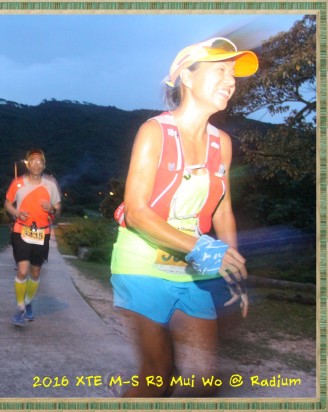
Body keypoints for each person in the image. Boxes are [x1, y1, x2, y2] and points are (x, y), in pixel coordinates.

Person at [109, 37, 257, 397]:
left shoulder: (222, 143)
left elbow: (222, 208)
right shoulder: (154, 132)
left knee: (206, 379)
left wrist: (232, 268)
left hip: (194, 266)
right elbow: (136, 212)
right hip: (143, 261)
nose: (231, 80)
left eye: (233, 74)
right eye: (220, 70)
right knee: (158, 376)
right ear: (187, 78)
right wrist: (205, 250)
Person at [4, 148, 61, 326]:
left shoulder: (51, 185)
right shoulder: (17, 183)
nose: (36, 164)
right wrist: (16, 213)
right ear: (28, 164)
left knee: (35, 272)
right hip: (21, 230)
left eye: (40, 161)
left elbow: (57, 209)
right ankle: (20, 307)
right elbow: (7, 203)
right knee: (22, 270)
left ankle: (28, 302)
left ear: (44, 165)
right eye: (33, 161)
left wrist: (51, 209)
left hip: (42, 233)